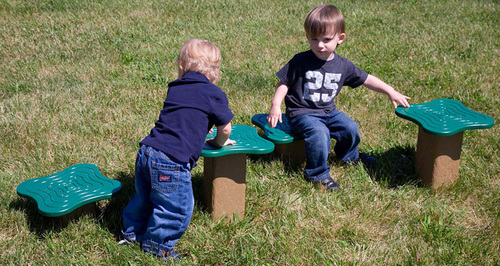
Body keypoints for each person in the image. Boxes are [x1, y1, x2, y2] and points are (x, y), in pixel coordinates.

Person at [267, 5, 410, 191]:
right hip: (302, 113)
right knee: (320, 133)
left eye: (326, 39)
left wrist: (390, 90)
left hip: (328, 111)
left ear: (340, 39)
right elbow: (284, 82)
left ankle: (349, 156)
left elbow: (367, 79)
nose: (319, 45)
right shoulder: (300, 60)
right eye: (314, 39)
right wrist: (275, 104)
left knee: (350, 127)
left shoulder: (343, 65)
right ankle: (317, 173)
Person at [121, 38, 235, 261]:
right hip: (171, 161)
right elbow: (226, 128)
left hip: (147, 150)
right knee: (175, 208)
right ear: (215, 74)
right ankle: (157, 247)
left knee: (144, 197)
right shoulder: (214, 93)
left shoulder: (175, 87)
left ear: (181, 68)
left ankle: (131, 233)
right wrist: (218, 142)